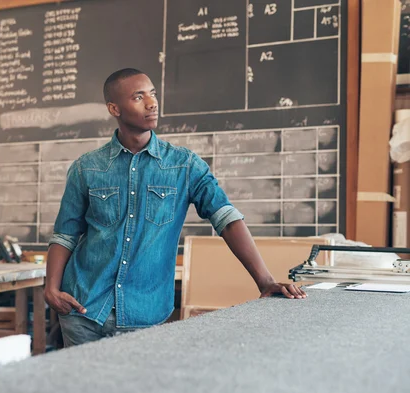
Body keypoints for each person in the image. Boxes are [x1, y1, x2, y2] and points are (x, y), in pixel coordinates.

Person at [44, 68, 306, 347]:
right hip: (83, 310)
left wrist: (265, 282)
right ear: (114, 108)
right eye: (138, 96)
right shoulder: (86, 168)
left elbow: (226, 219)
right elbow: (65, 235)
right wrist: (51, 288)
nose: (152, 102)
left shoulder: (184, 165)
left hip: (145, 315)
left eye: (153, 93)